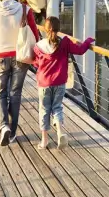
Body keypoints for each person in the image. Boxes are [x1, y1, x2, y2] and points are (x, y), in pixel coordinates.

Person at [0, 0, 40, 146]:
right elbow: (35, 36)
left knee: (0, 93)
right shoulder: (25, 10)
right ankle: (12, 132)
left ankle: (3, 126)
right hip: (20, 56)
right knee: (15, 94)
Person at [32, 16, 93, 150]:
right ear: (59, 29)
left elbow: (36, 63)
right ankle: (60, 133)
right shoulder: (65, 43)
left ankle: (44, 140)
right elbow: (80, 50)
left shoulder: (38, 46)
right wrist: (88, 41)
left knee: (44, 110)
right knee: (57, 107)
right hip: (59, 82)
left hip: (44, 82)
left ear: (45, 29)